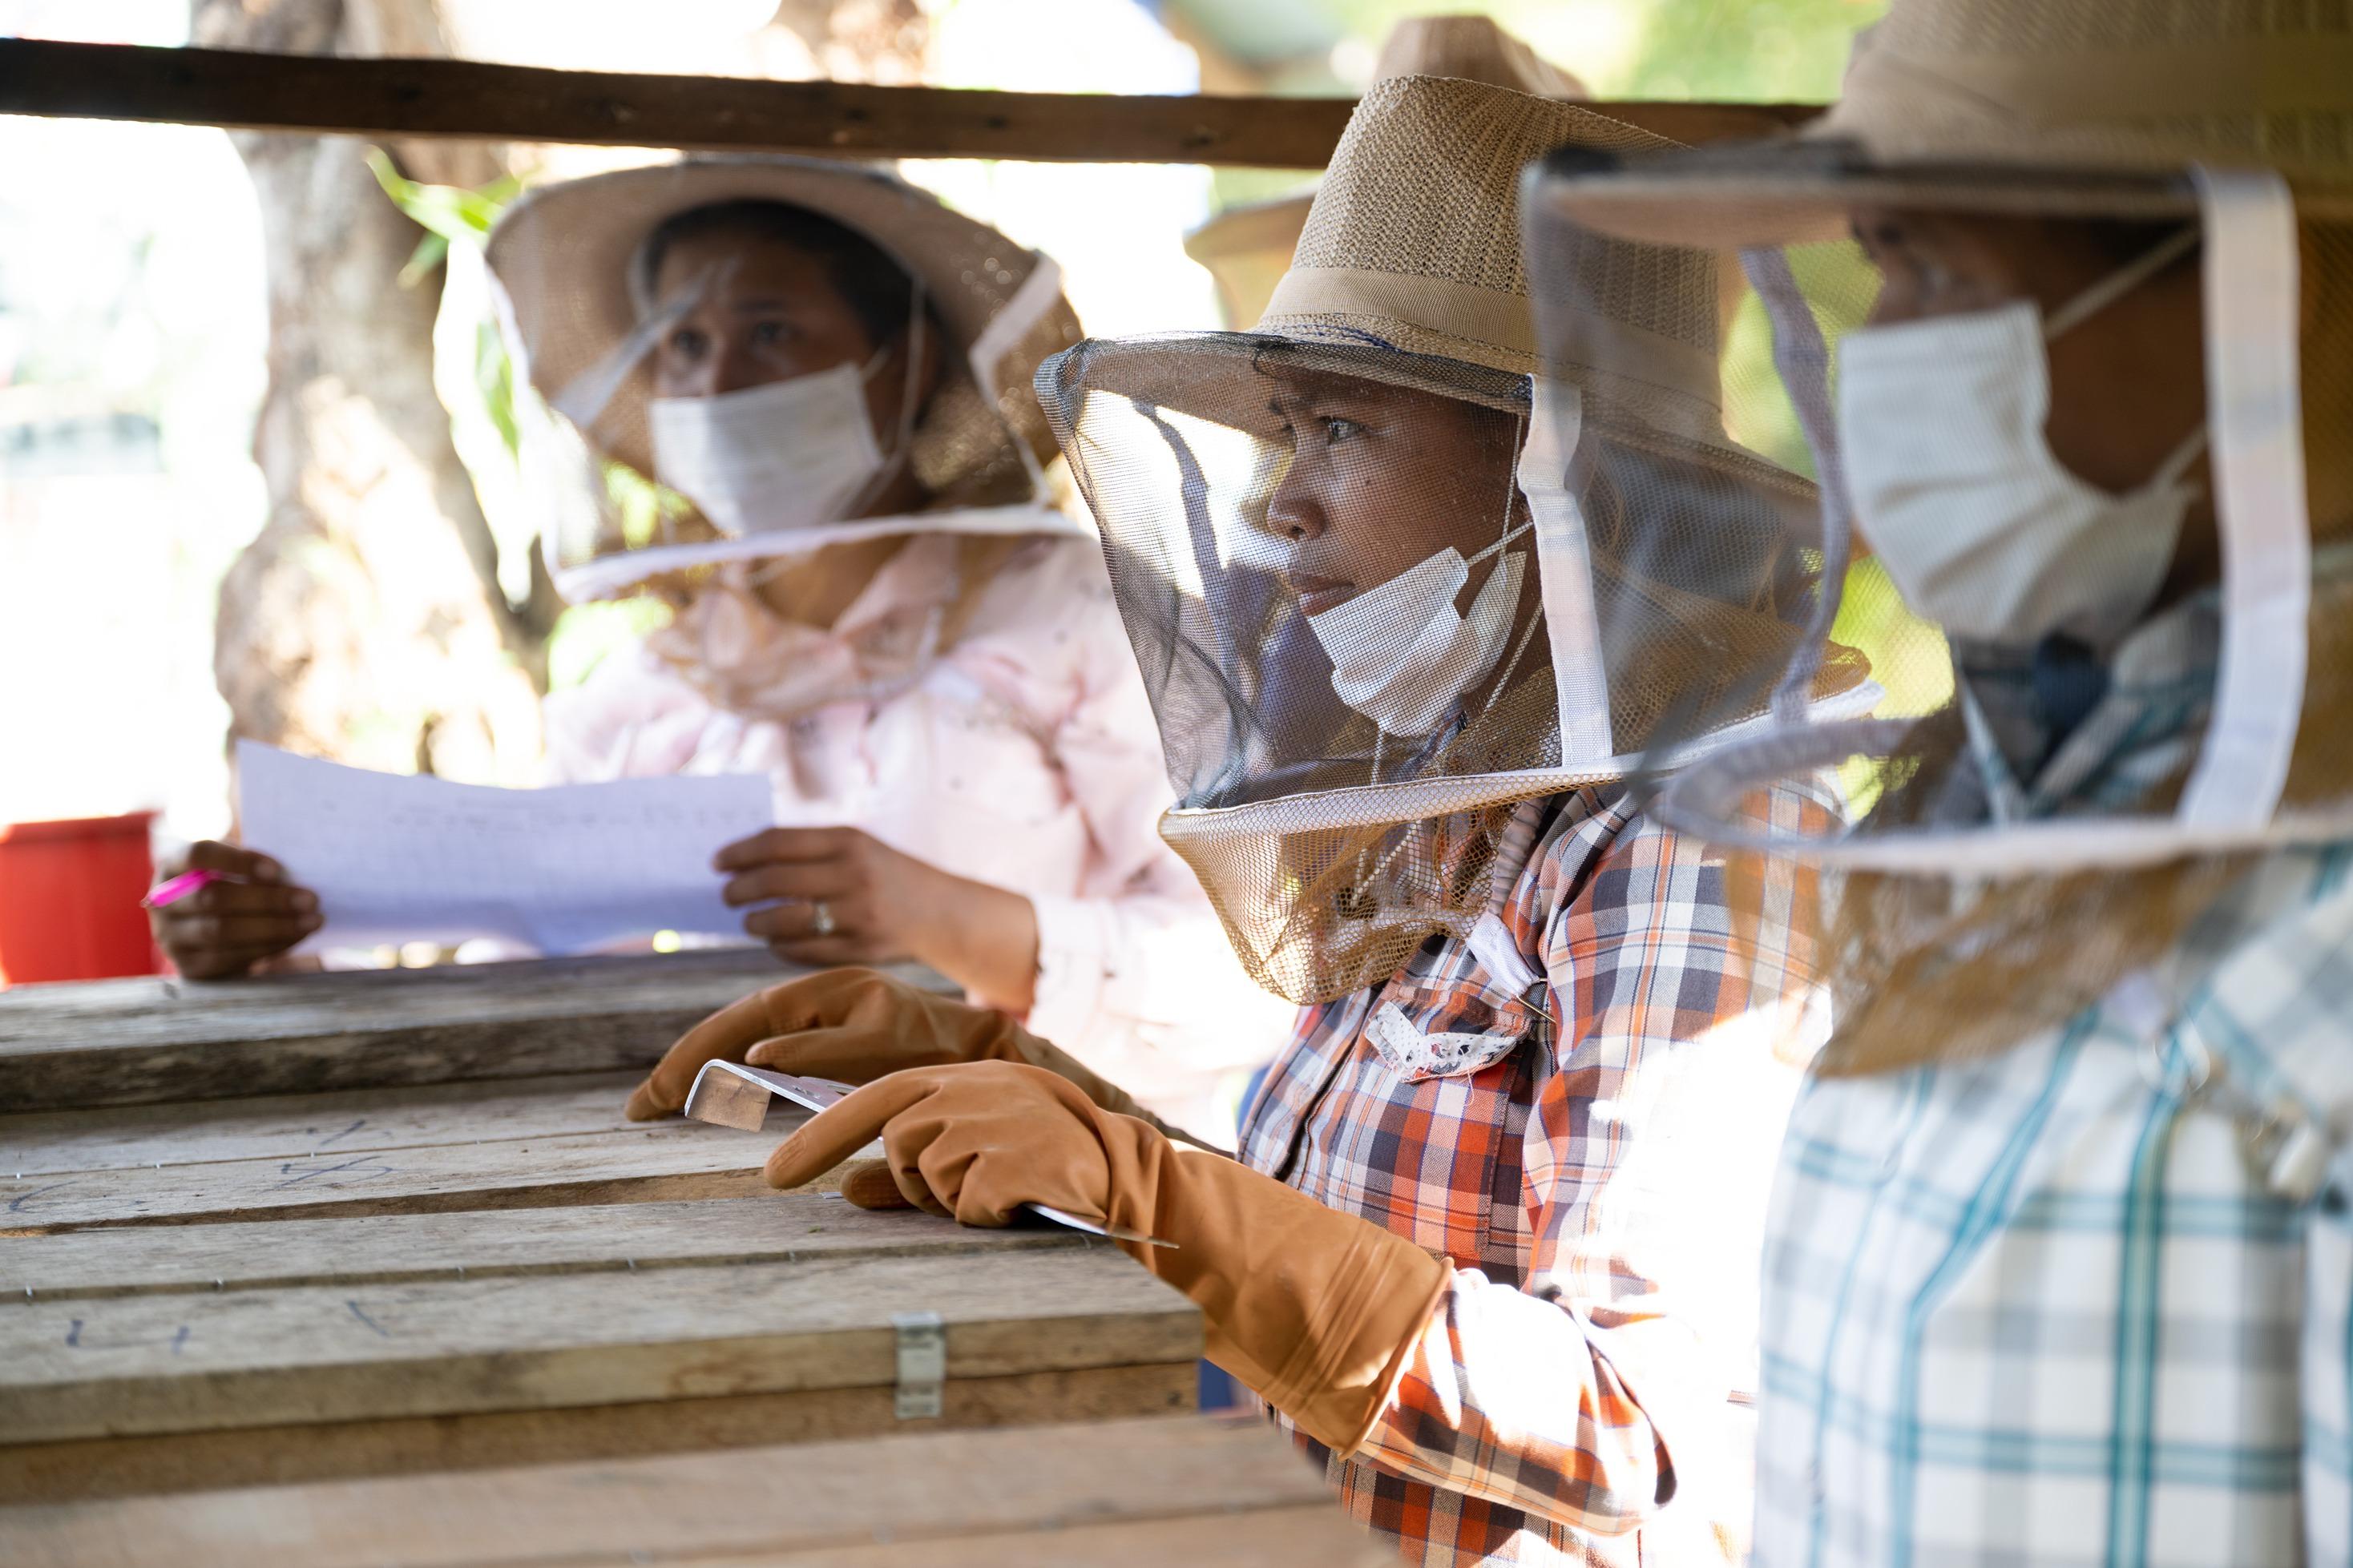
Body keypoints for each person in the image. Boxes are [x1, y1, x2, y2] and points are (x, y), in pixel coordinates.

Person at [626, 76, 1864, 1564]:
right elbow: (1323, 1229)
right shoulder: (1467, 775)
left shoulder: (1698, 838)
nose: (1281, 500)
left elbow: (1644, 1438)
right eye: (1286, 432)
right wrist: (1031, 1085)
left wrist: (1156, 1196)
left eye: (1340, 428)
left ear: (1558, 468)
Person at [1534, 0, 2353, 1559]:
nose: (1882, 354)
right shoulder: (2014, 795)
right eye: (1877, 265)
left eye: (1938, 272)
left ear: (2263, 300)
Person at [149, 159, 1285, 1138]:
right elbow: (540, 985)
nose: (717, 381)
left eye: (771, 331)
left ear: (904, 363)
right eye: (684, 344)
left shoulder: (1089, 621)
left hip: (1074, 1213)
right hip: (743, 1213)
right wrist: (287, 942)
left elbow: (1268, 977)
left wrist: (955, 924)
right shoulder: (648, 692)